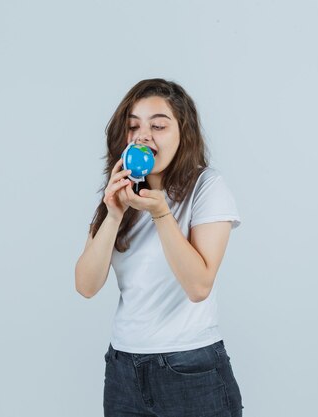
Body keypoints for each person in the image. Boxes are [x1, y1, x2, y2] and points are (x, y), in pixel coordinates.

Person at [74, 78, 245, 417]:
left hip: (191, 370)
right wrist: (113, 215)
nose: (143, 135)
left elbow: (198, 286)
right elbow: (86, 286)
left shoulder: (206, 187)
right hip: (123, 371)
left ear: (184, 133)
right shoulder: (119, 193)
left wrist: (161, 212)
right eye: (133, 125)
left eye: (158, 125)